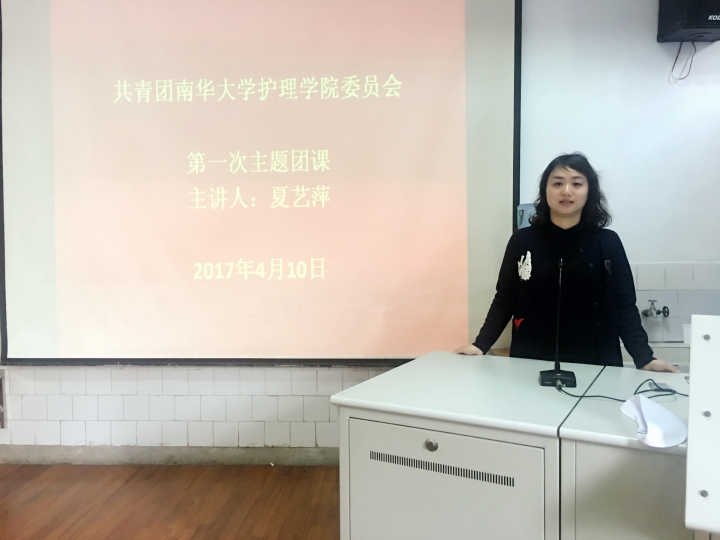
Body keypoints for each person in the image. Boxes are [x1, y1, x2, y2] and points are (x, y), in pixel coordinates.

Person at [456, 153, 676, 372]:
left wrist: (644, 358)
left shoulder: (607, 243)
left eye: (577, 184)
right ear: (545, 190)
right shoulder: (522, 241)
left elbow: (624, 307)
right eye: (558, 183)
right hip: (531, 360)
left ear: (589, 190)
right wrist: (480, 345)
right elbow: (505, 299)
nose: (566, 191)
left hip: (596, 363)